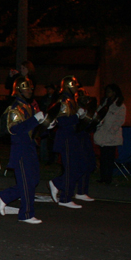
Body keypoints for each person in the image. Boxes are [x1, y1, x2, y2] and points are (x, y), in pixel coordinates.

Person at [0, 76, 44, 224]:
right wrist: (35, 119)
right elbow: (15, 129)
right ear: (18, 90)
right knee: (27, 181)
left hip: (30, 147)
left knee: (33, 180)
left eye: (30, 88)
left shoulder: (29, 106)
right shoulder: (15, 108)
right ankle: (26, 214)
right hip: (20, 149)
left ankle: (5, 196)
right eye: (26, 87)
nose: (30, 90)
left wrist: (46, 124)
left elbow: (33, 130)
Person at [48, 76, 86, 208]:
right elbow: (63, 121)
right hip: (66, 137)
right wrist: (77, 116)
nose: (77, 88)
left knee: (80, 165)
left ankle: (58, 183)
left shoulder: (71, 100)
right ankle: (65, 197)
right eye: (74, 85)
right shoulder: (64, 100)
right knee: (71, 167)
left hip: (72, 136)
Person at [93, 84, 126, 184]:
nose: (107, 93)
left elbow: (119, 120)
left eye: (109, 91)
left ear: (114, 92)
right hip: (103, 134)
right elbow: (98, 115)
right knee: (103, 158)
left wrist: (112, 131)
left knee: (109, 158)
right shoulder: (104, 103)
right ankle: (103, 178)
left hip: (111, 136)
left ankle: (108, 178)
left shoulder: (120, 105)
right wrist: (98, 125)